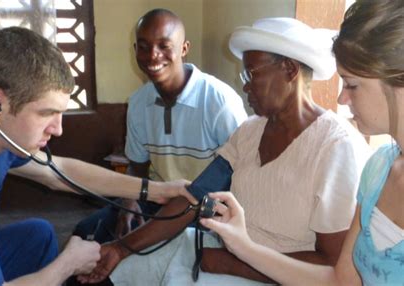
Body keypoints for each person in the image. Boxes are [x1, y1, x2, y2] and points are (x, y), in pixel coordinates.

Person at [80, 17, 371, 285]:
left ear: (290, 70)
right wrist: (121, 248)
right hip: (221, 250)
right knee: (114, 272)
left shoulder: (335, 147)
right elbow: (195, 197)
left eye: (251, 74)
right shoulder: (250, 131)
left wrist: (235, 263)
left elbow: (332, 266)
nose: (244, 87)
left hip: (274, 275)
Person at [0, 27, 196, 285]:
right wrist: (68, 263)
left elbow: (57, 172)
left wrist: (156, 191)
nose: (57, 130)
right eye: (46, 114)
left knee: (38, 235)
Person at [201, 1, 404, 285]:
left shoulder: (338, 146)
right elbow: (340, 279)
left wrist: (235, 260)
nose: (341, 99)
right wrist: (242, 247)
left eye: (352, 85)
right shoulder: (380, 167)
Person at [73, 8, 247, 243]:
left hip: (206, 207)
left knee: (153, 253)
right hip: (157, 198)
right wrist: (129, 202)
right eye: (143, 47)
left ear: (184, 48)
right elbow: (138, 168)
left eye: (164, 46)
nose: (153, 56)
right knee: (87, 234)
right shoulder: (138, 103)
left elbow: (242, 174)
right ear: (135, 50)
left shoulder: (219, 101)